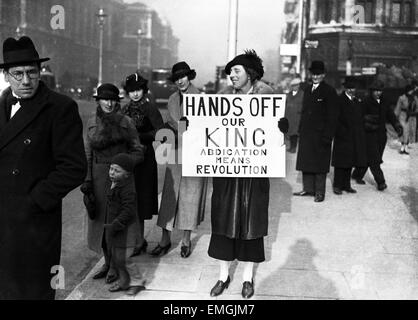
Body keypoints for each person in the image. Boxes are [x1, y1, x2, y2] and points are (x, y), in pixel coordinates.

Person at [0, 36, 87, 299]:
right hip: (2, 218)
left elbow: (74, 167)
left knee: (32, 290)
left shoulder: (60, 108)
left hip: (34, 223)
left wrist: (36, 199)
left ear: (40, 73)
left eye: (31, 73)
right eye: (17, 74)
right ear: (5, 75)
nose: (25, 81)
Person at [208, 50, 288, 299]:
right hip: (227, 174)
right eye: (230, 71)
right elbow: (207, 128)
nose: (231, 75)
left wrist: (282, 128)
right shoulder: (222, 98)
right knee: (223, 221)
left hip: (255, 174)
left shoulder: (267, 96)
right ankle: (223, 276)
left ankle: (247, 278)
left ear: (250, 74)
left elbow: (278, 134)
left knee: (251, 224)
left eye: (236, 71)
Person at [83, 83, 144, 283]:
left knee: (117, 223)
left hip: (121, 179)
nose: (109, 103)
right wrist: (88, 181)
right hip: (99, 178)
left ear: (117, 101)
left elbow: (138, 151)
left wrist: (124, 166)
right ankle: (107, 262)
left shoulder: (126, 122)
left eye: (112, 100)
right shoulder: (91, 122)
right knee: (99, 222)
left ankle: (116, 266)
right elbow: (88, 154)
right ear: (98, 101)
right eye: (104, 99)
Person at [151, 61, 208, 258]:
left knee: (190, 197)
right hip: (176, 152)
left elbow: (204, 128)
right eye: (176, 79)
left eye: (183, 77)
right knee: (169, 195)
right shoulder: (172, 98)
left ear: (189, 77)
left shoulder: (200, 97)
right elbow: (169, 122)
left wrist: (186, 131)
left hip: (194, 154)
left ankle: (185, 240)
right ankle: (165, 239)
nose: (180, 81)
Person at [121, 72, 164, 256]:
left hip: (145, 159)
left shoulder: (150, 108)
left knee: (141, 200)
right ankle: (138, 240)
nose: (135, 94)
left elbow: (161, 133)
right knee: (130, 199)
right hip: (129, 160)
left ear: (144, 90)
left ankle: (139, 241)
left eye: (138, 90)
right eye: (131, 91)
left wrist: (139, 137)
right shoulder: (124, 110)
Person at [294, 60, 339, 202]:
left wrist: (328, 136)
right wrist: (300, 129)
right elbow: (304, 111)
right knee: (306, 161)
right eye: (313, 74)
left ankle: (320, 192)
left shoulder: (329, 91)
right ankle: (308, 189)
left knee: (320, 164)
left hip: (321, 135)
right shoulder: (307, 90)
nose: (315, 77)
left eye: (318, 74)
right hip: (307, 133)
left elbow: (333, 116)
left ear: (323, 75)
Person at [103, 153, 146, 295]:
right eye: (111, 169)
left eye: (117, 170)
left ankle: (138, 282)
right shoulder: (115, 183)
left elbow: (128, 210)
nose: (112, 173)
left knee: (125, 259)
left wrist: (117, 223)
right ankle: (124, 281)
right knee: (117, 258)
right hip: (116, 228)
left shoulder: (128, 190)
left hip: (126, 230)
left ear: (127, 174)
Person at [351, 80, 403, 191]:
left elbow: (391, 116)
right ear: (371, 91)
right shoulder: (365, 102)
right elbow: (359, 117)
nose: (378, 93)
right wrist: (369, 121)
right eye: (375, 91)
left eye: (380, 91)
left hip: (381, 136)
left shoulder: (385, 101)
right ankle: (381, 182)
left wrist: (397, 126)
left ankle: (357, 174)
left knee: (373, 157)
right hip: (369, 135)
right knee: (375, 160)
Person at [331, 80, 367, 195]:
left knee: (350, 161)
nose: (352, 90)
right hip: (342, 136)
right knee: (340, 162)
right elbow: (335, 118)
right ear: (345, 88)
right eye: (349, 88)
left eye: (353, 88)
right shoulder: (339, 100)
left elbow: (360, 117)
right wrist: (340, 131)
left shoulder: (357, 101)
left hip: (353, 136)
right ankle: (337, 185)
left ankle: (346, 185)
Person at [394, 84, 417, 154]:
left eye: (411, 90)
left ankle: (405, 147)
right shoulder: (401, 98)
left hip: (412, 117)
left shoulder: (415, 98)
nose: (410, 92)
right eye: (409, 90)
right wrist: (394, 117)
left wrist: (414, 113)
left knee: (410, 131)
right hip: (403, 115)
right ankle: (402, 146)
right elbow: (398, 108)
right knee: (404, 130)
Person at [284, 77, 304, 153]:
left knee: (295, 133)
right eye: (293, 86)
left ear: (298, 86)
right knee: (290, 133)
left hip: (297, 117)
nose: (295, 87)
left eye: (296, 85)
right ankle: (291, 147)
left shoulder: (302, 94)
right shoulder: (288, 95)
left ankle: (294, 148)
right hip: (289, 116)